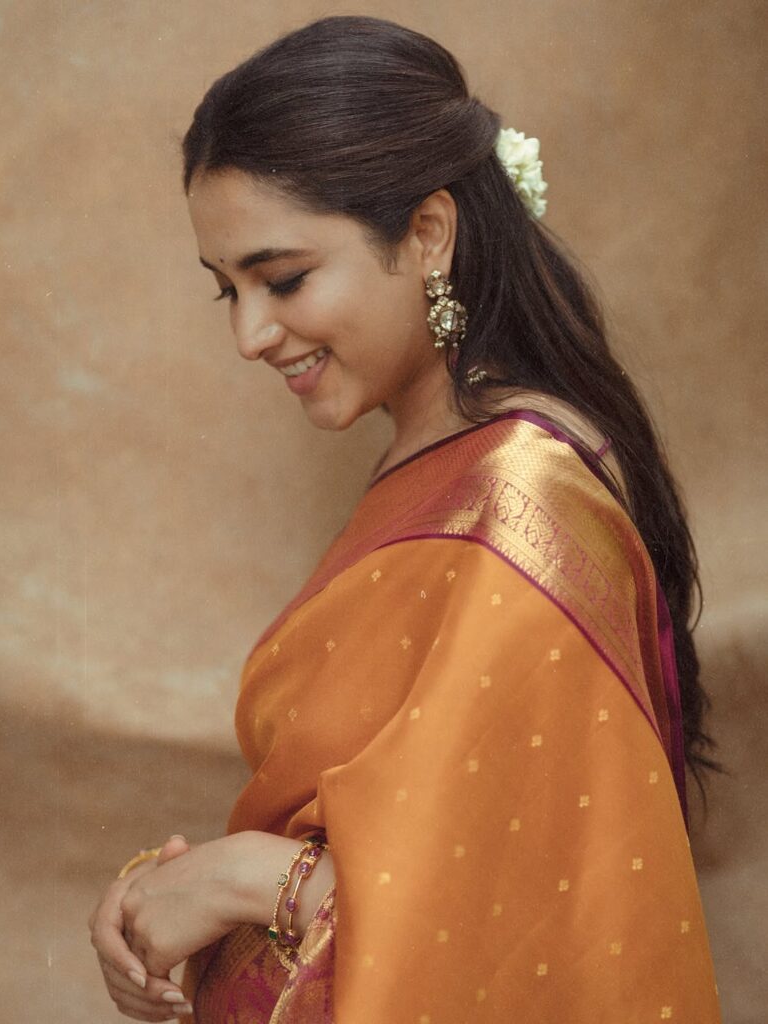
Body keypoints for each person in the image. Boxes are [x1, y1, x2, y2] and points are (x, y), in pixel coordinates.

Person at [89, 15, 722, 1023]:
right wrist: (173, 897)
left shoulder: (518, 503)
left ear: (427, 233)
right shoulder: (436, 460)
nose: (250, 333)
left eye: (283, 278)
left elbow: (522, 927)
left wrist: (253, 879)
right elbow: (424, 833)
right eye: (227, 291)